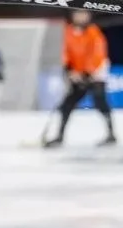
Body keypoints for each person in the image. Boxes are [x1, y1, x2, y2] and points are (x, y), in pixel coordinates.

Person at [44, 10, 116, 147]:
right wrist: (70, 71)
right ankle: (59, 136)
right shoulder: (69, 31)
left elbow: (97, 54)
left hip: (96, 73)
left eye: (84, 14)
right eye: (78, 14)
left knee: (100, 101)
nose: (81, 17)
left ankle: (111, 134)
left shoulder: (94, 32)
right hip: (78, 73)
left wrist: (87, 73)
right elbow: (66, 53)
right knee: (67, 104)